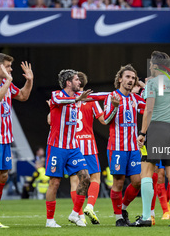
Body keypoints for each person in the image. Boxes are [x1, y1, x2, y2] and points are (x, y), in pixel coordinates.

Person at [132, 41, 170, 227]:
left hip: (157, 128)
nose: (149, 67)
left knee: (146, 172)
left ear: (155, 66)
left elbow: (148, 111)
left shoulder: (153, 84)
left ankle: (147, 217)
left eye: (150, 65)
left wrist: (142, 133)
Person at [44, 69, 105, 228]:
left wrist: (115, 94)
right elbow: (60, 101)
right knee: (55, 182)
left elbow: (98, 96)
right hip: (57, 146)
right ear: (68, 83)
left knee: (85, 177)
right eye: (77, 80)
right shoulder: (56, 95)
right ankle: (50, 220)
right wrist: (77, 98)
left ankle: (75, 213)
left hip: (73, 147)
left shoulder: (80, 97)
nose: (80, 82)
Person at [0, 53, 33, 228]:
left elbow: (24, 96)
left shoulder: (5, 84)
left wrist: (29, 81)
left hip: (4, 138)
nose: (11, 69)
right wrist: (9, 82)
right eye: (8, 66)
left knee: (3, 177)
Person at [104, 64, 145, 227]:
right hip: (117, 147)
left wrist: (145, 87)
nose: (130, 80)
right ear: (120, 79)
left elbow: (150, 108)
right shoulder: (111, 97)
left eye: (133, 78)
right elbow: (106, 120)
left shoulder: (135, 99)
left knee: (137, 181)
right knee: (119, 182)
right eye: (127, 77)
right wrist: (114, 107)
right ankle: (118, 218)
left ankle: (123, 209)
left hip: (134, 148)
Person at [69, 71, 106, 225]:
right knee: (95, 178)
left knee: (74, 182)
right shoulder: (91, 99)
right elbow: (104, 120)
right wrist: (114, 109)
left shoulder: (67, 99)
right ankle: (89, 206)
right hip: (88, 145)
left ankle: (79, 215)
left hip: (71, 145)